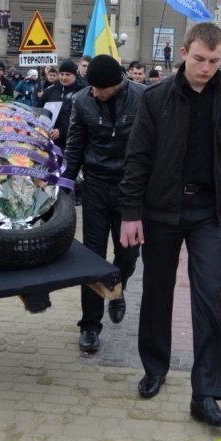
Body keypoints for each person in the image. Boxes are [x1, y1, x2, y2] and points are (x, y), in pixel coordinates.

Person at [119, 22, 221, 428]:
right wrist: (130, 213)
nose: (206, 67)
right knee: (157, 291)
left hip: (209, 214)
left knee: (209, 295)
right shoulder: (156, 98)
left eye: (214, 61)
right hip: (161, 212)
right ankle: (155, 366)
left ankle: (207, 393)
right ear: (183, 53)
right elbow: (138, 157)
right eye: (199, 58)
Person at [64, 54, 145, 353]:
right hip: (96, 186)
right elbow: (75, 144)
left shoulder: (142, 97)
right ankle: (89, 325)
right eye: (92, 87)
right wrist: (66, 185)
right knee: (92, 256)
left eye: (101, 88)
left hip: (131, 190)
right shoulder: (82, 100)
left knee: (128, 255)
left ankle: (116, 285)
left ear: (118, 83)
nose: (95, 92)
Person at [42, 59, 86, 149]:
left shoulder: (83, 92)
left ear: (75, 75)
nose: (64, 78)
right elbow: (40, 112)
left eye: (68, 74)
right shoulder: (50, 91)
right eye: (61, 74)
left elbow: (83, 119)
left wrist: (62, 132)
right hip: (50, 141)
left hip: (74, 144)